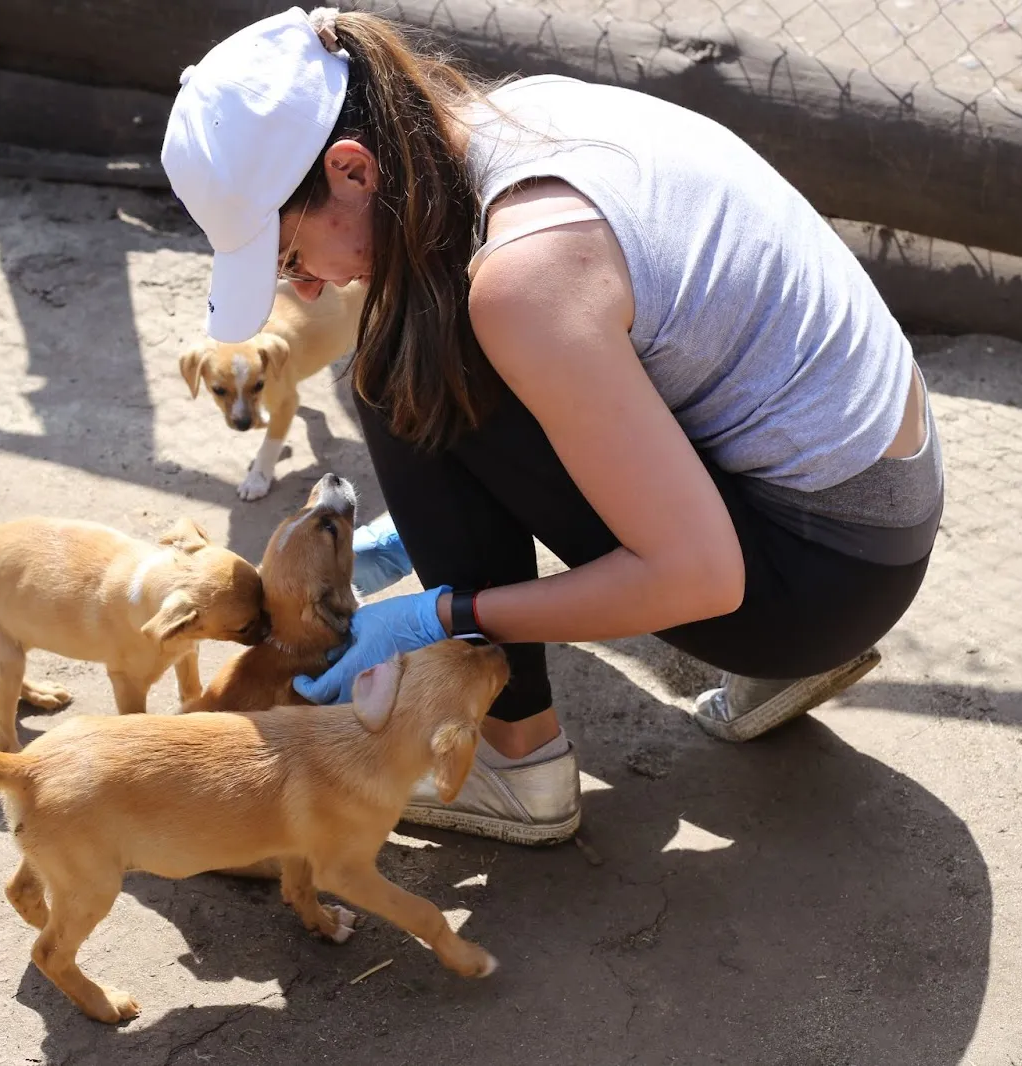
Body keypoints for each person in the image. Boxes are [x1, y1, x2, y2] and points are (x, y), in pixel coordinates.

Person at [160, 7, 943, 847]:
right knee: (442, 326)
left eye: (289, 255)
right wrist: (419, 531)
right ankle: (779, 655)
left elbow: (701, 578)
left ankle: (515, 758)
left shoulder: (528, 272)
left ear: (352, 170)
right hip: (878, 515)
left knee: (398, 366)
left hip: (815, 586)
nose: (308, 287)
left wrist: (444, 614)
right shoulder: (514, 114)